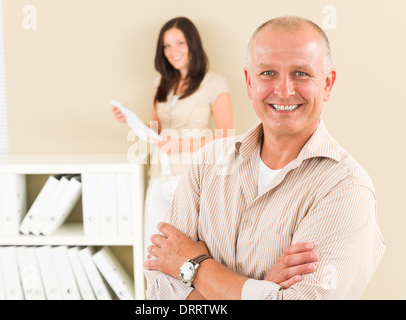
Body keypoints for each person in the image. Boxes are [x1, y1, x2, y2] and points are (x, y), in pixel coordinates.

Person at [144, 16, 386, 300]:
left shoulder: (347, 188)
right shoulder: (206, 164)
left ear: (328, 84)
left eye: (301, 73)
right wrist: (263, 288)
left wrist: (196, 269)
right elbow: (159, 293)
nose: (284, 90)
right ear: (249, 82)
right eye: (268, 73)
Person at [112, 17, 234, 250]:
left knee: (189, 255)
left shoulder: (214, 83)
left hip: (191, 180)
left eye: (179, 43)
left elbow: (227, 139)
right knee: (153, 251)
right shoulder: (161, 83)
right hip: (159, 177)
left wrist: (179, 145)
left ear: (192, 45)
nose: (172, 51)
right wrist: (129, 118)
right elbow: (156, 131)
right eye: (166, 46)